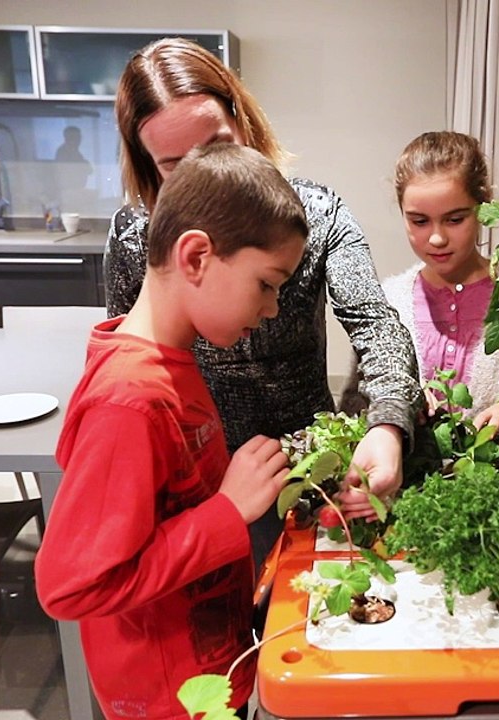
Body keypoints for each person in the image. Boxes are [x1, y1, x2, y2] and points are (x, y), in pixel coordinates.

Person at [105, 38, 420, 548]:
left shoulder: (316, 215)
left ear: (243, 121)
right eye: (174, 165)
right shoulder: (133, 237)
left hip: (311, 476)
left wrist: (387, 426)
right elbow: (135, 370)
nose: (205, 178)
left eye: (217, 144)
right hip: (200, 493)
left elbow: (377, 326)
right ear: (147, 166)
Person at [36, 143, 309, 720]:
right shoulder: (129, 400)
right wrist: (228, 512)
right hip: (168, 702)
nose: (273, 309)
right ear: (195, 257)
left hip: (205, 675)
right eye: (267, 283)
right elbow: (71, 585)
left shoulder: (173, 363)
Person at [347, 131, 499, 448]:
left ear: (482, 206)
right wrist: (398, 406)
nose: (437, 238)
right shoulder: (387, 304)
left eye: (454, 220)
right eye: (419, 221)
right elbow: (355, 406)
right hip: (406, 488)